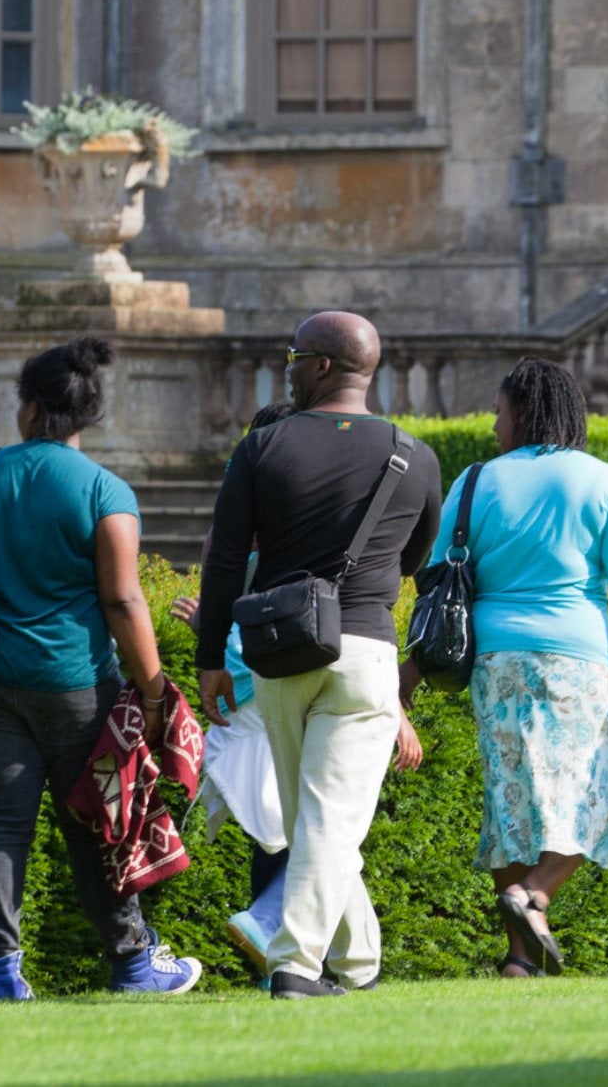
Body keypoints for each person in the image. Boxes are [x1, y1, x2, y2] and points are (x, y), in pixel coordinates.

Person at [0, 335, 203, 1002]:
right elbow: (123, 599)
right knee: (95, 822)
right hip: (76, 683)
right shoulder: (105, 491)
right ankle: (131, 966)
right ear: (87, 415)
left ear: (29, 407)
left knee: (1, 823)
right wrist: (154, 690)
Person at [427, 357, 608, 978]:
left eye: (500, 411)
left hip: (495, 660)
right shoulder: (599, 479)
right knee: (596, 794)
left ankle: (519, 956)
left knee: (511, 798)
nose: (492, 425)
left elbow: (439, 578)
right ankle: (532, 896)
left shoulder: (475, 480)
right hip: (575, 661)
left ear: (523, 413)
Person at [196, 312, 441, 1000]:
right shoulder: (414, 456)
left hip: (277, 651)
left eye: (295, 358)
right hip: (365, 651)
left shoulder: (262, 447)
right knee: (325, 820)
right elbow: (417, 558)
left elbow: (222, 565)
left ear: (324, 366)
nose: (289, 369)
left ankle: (320, 966)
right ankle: (324, 964)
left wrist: (211, 655)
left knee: (319, 818)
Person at [168, 405, 297, 985]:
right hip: (275, 688)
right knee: (313, 825)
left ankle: (278, 959)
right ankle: (271, 930)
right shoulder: (295, 524)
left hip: (241, 694)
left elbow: (215, 610)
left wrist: (209, 639)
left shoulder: (230, 523)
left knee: (277, 832)